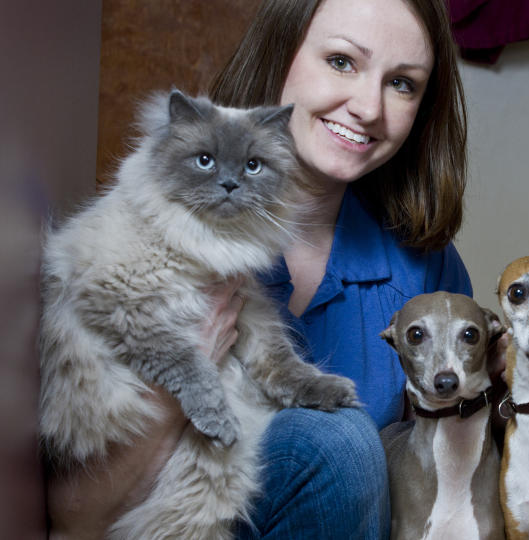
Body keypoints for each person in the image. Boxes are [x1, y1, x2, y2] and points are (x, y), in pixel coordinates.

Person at [45, 0, 470, 538]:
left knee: (338, 440)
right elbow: (74, 520)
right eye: (341, 61)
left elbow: (440, 477)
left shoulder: (424, 263)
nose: (367, 106)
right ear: (281, 53)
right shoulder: (153, 235)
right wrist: (189, 371)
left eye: (402, 84)